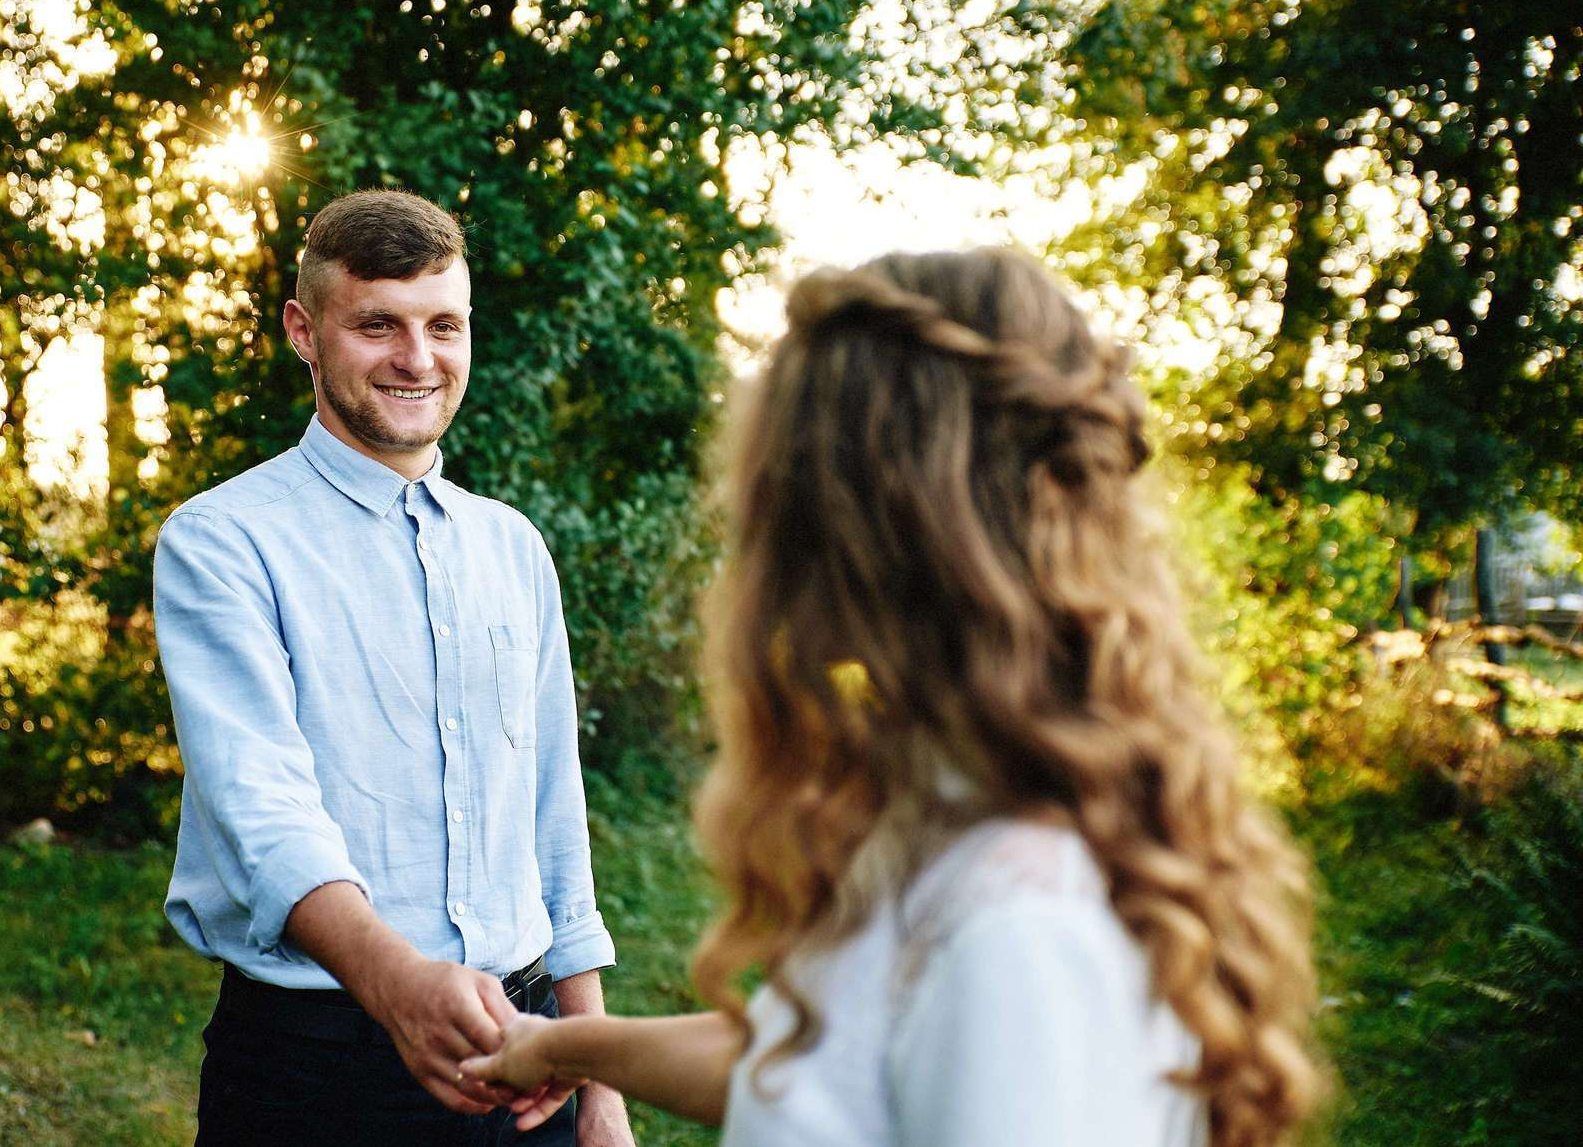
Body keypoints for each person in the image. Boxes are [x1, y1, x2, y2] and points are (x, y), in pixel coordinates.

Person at [464, 248, 1326, 1146]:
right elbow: (827, 1063)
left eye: (778, 487)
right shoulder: (956, 802)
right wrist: (564, 1046)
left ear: (871, 522)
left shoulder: (1015, 927)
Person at [153, 189, 635, 1146]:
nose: (418, 358)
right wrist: (400, 988)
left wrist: (599, 1075)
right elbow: (265, 815)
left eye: (443, 324)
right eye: (378, 324)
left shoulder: (513, 547)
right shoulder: (223, 542)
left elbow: (552, 817)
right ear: (305, 330)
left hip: (528, 1062)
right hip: (317, 1072)